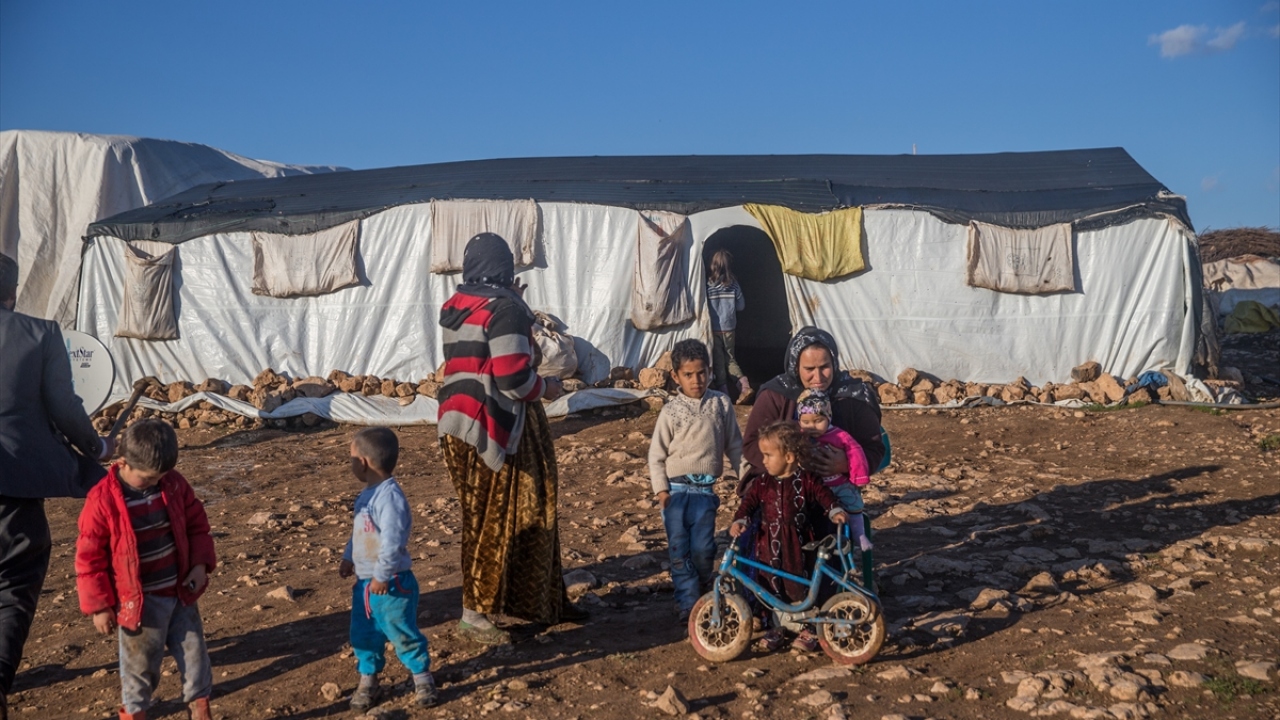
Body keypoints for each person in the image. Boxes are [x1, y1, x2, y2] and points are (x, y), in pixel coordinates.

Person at [437, 232, 582, 646]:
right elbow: (514, 378)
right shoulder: (504, 310)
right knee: (501, 518)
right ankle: (475, 613)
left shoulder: (457, 305)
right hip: (490, 427)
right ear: (506, 268)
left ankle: (544, 601)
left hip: (455, 422)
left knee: (498, 514)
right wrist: (549, 389)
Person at [0, 252, 111, 717]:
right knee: (13, 582)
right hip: (17, 481)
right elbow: (63, 407)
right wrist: (97, 449)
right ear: (13, 290)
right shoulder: (39, 334)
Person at [74, 419, 215, 720]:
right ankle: (136, 712)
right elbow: (89, 560)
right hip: (137, 605)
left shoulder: (173, 484)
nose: (156, 483)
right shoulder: (101, 501)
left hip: (180, 594)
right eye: (148, 478)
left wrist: (201, 565)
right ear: (122, 462)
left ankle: (200, 707)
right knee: (140, 668)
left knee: (195, 657)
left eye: (161, 477)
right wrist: (99, 606)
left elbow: (197, 526)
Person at [339, 428, 436, 710]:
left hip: (392, 584)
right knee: (363, 633)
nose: (351, 463)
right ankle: (368, 680)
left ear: (364, 462)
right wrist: (349, 557)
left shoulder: (389, 497)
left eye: (352, 457)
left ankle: (422, 678)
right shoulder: (366, 496)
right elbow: (360, 532)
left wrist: (382, 575)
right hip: (366, 586)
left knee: (401, 631)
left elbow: (394, 540)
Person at [648, 339, 743, 624]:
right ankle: (688, 604)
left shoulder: (720, 403)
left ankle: (702, 586)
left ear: (710, 371)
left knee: (704, 549)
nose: (696, 380)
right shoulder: (670, 411)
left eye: (701, 373)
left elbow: (735, 446)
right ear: (675, 376)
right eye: (688, 375)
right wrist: (661, 491)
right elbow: (656, 455)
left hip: (704, 493)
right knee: (679, 550)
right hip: (676, 492)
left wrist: (747, 478)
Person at [729, 421, 847, 653]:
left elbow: (825, 496)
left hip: (798, 544)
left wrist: (834, 510)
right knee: (770, 583)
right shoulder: (762, 483)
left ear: (790, 456)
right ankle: (776, 626)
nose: (763, 461)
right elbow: (748, 504)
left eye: (768, 455)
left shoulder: (807, 480)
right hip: (767, 544)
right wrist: (740, 520)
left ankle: (808, 627)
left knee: (798, 584)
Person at [741, 327, 884, 493]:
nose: (818, 377)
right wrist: (788, 463)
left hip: (836, 487)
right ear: (796, 366)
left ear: (834, 363)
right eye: (809, 369)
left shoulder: (853, 395)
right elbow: (752, 444)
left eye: (824, 367)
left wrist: (845, 463)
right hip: (781, 485)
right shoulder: (775, 395)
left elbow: (874, 448)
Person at [795, 389, 873, 552]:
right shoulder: (799, 437)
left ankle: (859, 535)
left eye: (818, 420)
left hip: (839, 482)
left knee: (854, 505)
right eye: (806, 421)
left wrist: (858, 477)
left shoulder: (840, 436)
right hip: (813, 487)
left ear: (828, 416)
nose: (812, 426)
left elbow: (855, 453)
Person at [706, 249, 752, 402]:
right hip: (729, 327)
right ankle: (744, 385)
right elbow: (741, 306)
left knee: (718, 359)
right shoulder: (734, 284)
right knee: (731, 358)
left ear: (713, 266)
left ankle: (723, 392)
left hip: (714, 328)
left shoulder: (708, 285)